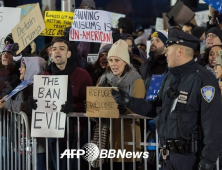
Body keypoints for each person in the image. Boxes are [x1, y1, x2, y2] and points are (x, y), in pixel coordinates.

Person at [111, 28, 222, 170]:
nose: (166, 53)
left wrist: (208, 160)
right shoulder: (169, 77)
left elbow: (212, 123)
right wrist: (129, 101)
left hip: (191, 160)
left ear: (180, 51)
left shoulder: (203, 79)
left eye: (168, 49)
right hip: (167, 157)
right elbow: (155, 108)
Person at [40, 38, 93, 170]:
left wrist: (74, 107)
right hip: (54, 131)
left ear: (68, 54)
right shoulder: (45, 75)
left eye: (62, 48)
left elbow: (89, 102)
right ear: (50, 54)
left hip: (77, 131)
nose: (57, 51)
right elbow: (42, 101)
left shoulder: (82, 75)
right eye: (54, 49)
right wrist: (35, 104)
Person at [97, 39, 146, 170]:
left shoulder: (136, 81)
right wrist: (92, 109)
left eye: (117, 60)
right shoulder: (103, 79)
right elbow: (96, 106)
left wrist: (126, 110)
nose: (113, 64)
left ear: (125, 61)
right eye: (111, 60)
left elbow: (140, 106)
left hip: (127, 138)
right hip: (106, 139)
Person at [1, 57, 47, 170]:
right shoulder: (23, 85)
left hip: (34, 139)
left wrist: (6, 104)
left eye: (23, 67)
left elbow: (26, 106)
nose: (20, 69)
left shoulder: (37, 87)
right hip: (21, 137)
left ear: (32, 68)